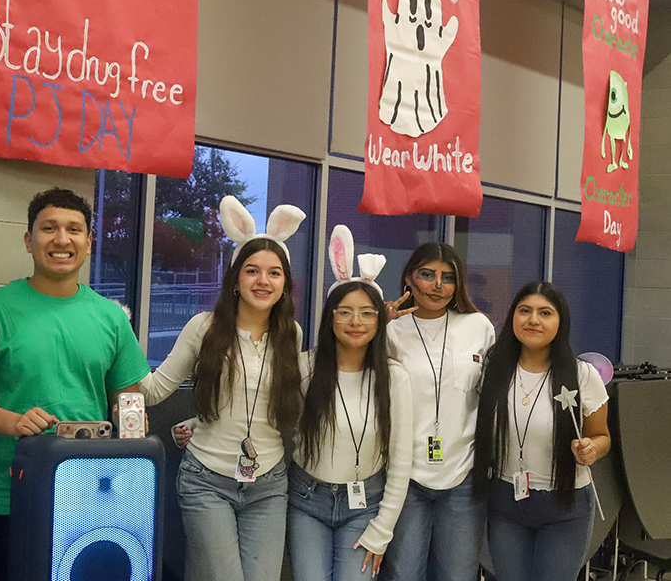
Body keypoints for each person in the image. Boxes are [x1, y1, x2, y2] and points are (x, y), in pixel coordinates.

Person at [0, 187, 151, 581]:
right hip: (2, 499)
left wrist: (133, 431)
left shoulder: (111, 318)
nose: (62, 240)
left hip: (91, 498)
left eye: (74, 230)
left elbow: (128, 400)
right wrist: (12, 422)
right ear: (29, 240)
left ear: (88, 243)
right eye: (49, 228)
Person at [143, 195, 305, 581]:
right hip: (206, 481)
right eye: (252, 271)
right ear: (235, 278)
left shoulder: (291, 334)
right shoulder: (204, 326)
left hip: (268, 483)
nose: (263, 281)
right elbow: (152, 390)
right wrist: (114, 340)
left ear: (285, 283)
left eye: (274, 273)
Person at [287, 225, 413, 581]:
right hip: (306, 500)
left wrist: (383, 528)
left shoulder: (394, 377)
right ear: (330, 318)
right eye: (344, 312)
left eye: (367, 313)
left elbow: (401, 460)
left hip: (366, 505)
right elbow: (267, 420)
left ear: (380, 320)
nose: (355, 321)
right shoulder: (305, 368)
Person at [473, 282, 610, 581]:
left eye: (545, 313)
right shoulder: (493, 369)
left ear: (560, 323)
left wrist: (591, 449)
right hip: (504, 502)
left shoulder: (582, 374)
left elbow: (602, 437)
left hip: (565, 505)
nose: (533, 320)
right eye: (525, 311)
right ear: (512, 318)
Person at [379, 242, 495, 581]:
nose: (438, 285)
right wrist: (375, 325)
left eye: (448, 278)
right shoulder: (391, 329)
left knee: (457, 575)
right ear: (409, 280)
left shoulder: (478, 326)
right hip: (405, 475)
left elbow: (492, 392)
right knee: (403, 573)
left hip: (463, 474)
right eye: (427, 275)